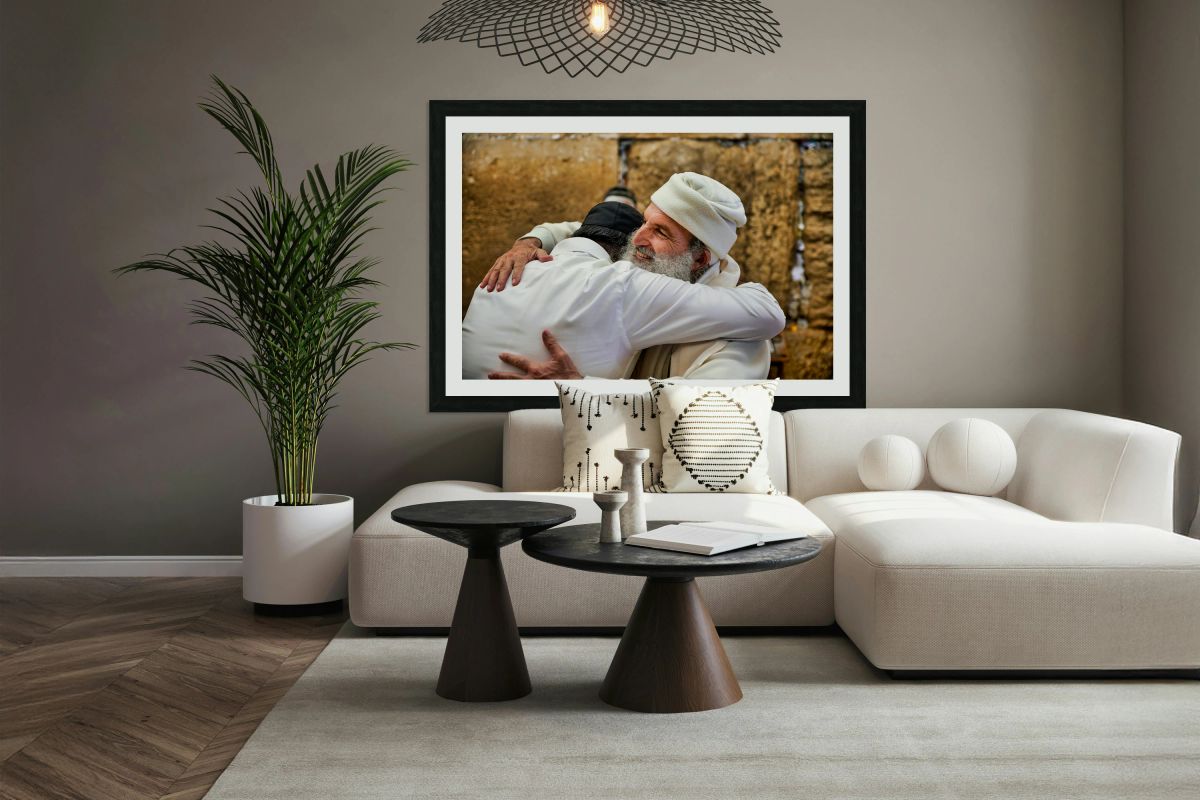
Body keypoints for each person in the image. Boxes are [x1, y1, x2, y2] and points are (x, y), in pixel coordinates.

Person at [479, 172, 772, 379]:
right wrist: (530, 242)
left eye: (660, 232)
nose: (636, 238)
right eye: (644, 221)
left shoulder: (738, 337)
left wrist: (580, 390)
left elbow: (684, 420)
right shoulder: (653, 267)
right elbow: (589, 230)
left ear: (699, 259)